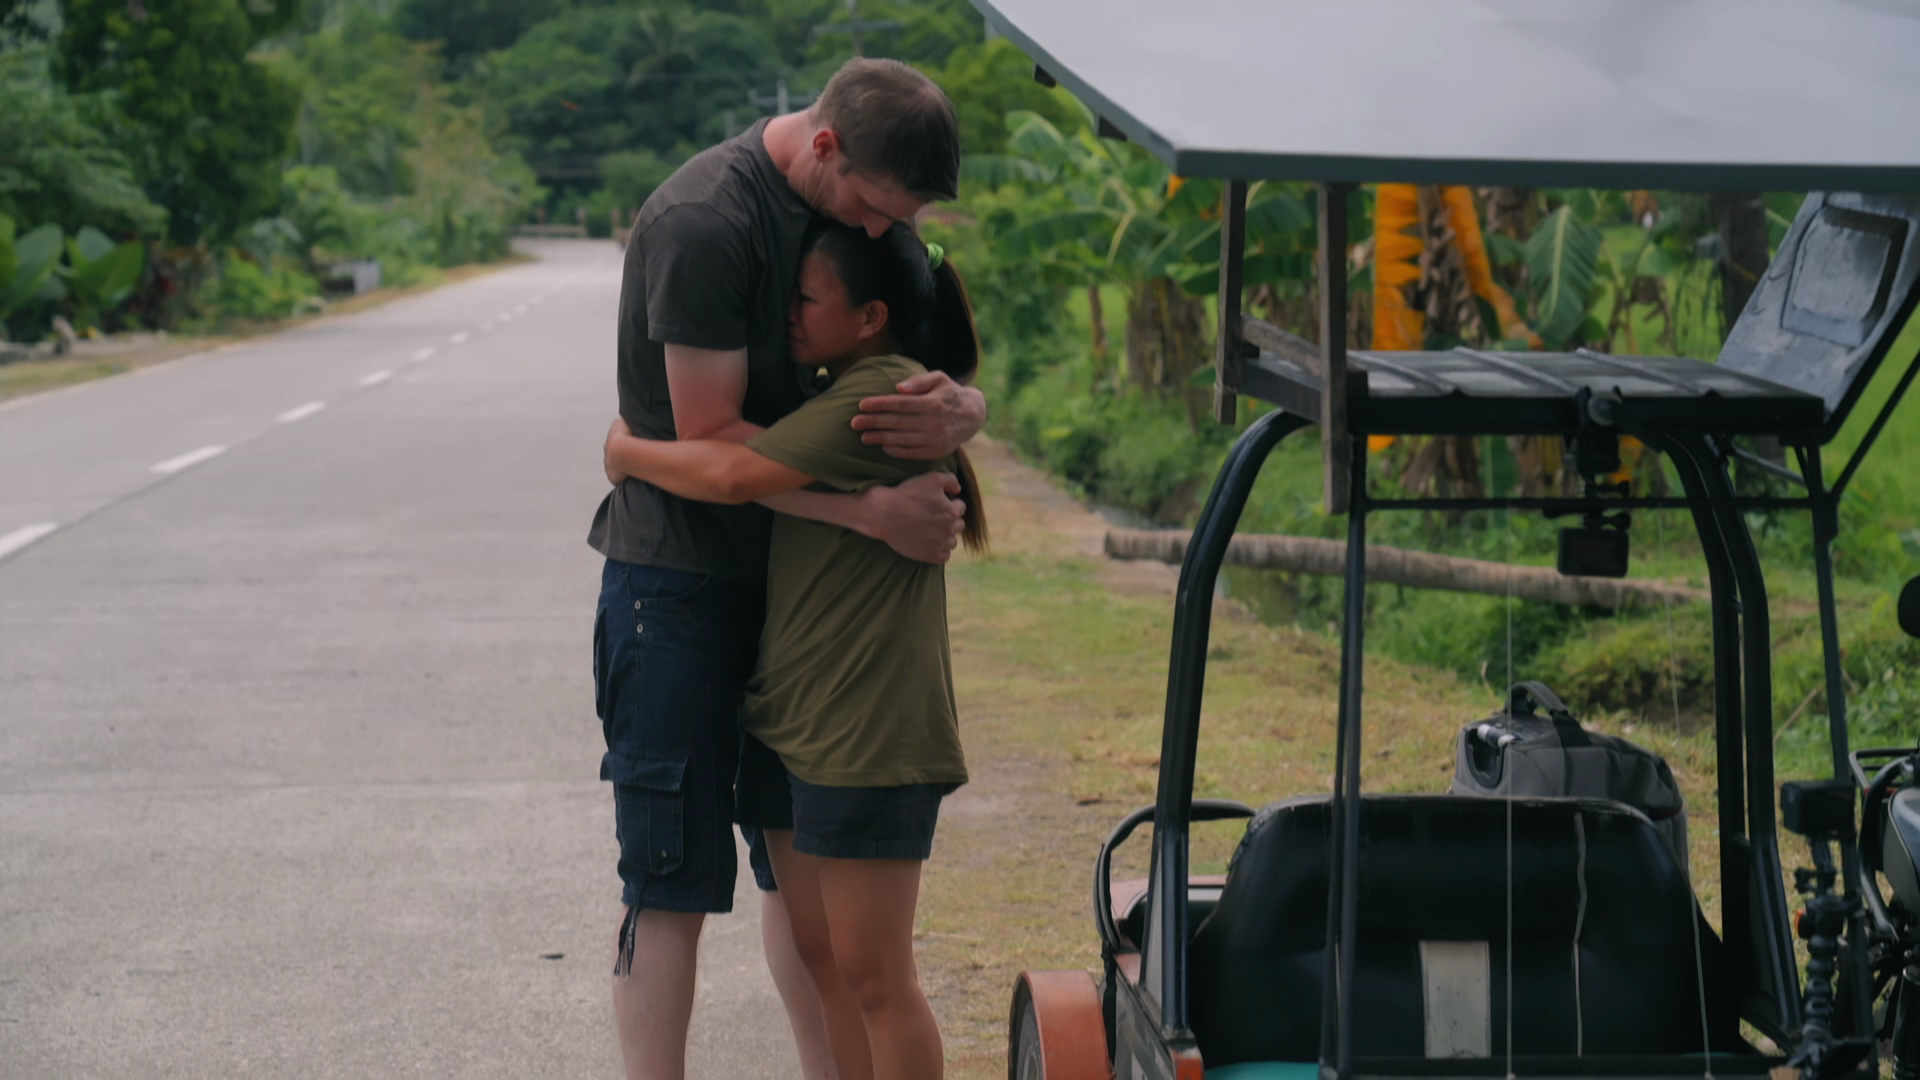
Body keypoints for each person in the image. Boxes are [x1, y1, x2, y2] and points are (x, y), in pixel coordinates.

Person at [586, 57, 984, 1080]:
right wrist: (867, 514)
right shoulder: (705, 223)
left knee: (794, 887)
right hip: (677, 583)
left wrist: (964, 410)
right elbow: (717, 453)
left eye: (892, 222)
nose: (870, 236)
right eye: (863, 208)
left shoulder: (868, 217)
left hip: (794, 601)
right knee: (670, 875)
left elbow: (922, 338)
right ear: (822, 147)